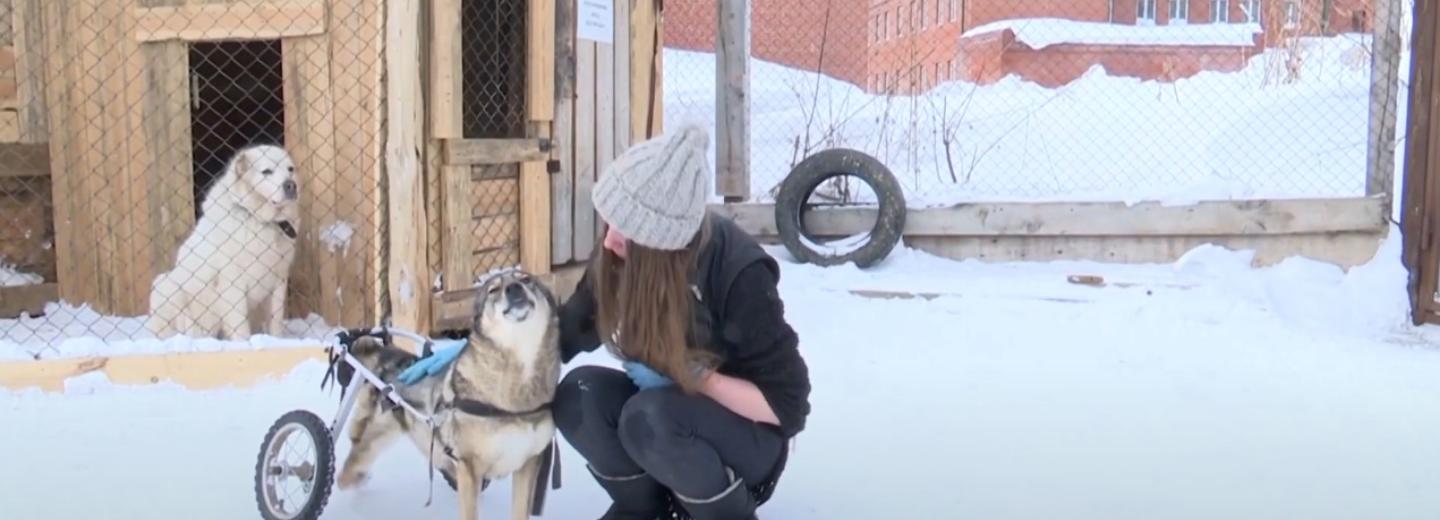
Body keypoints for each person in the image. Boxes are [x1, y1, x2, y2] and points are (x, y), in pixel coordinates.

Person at [400, 123, 811, 520]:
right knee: (578, 397)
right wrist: (484, 350)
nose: (611, 238)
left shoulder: (737, 273)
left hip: (745, 446)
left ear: (661, 244)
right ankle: (642, 507)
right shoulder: (620, 258)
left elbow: (787, 406)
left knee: (648, 417)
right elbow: (570, 329)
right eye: (609, 220)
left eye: (626, 231)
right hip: (671, 421)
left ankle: (721, 514)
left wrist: (694, 378)